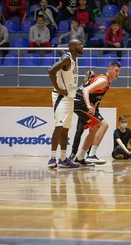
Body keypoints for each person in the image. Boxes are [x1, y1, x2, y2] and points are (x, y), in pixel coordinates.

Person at [71, 63, 119, 165]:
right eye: (116, 71)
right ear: (109, 70)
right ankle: (92, 155)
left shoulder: (106, 82)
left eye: (119, 71)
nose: (118, 74)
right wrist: (88, 106)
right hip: (79, 102)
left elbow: (94, 96)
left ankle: (80, 158)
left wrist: (93, 107)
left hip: (80, 102)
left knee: (94, 129)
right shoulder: (103, 80)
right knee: (104, 125)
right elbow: (85, 90)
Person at [47, 39, 83, 169]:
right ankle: (52, 158)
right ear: (72, 47)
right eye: (79, 44)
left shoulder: (73, 59)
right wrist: (57, 88)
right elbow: (51, 70)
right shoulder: (67, 59)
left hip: (70, 97)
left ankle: (63, 159)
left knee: (66, 128)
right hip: (61, 97)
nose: (82, 46)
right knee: (59, 126)